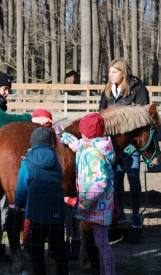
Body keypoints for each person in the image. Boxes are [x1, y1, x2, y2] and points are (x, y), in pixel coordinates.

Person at [0, 69, 52, 262]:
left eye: (8, 89)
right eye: (5, 89)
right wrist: (29, 119)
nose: (7, 93)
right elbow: (2, 122)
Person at [57, 113, 116, 275]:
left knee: (102, 243)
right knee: (99, 242)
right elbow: (78, 145)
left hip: (98, 207)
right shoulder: (94, 145)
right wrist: (64, 136)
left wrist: (82, 204)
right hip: (97, 206)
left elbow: (100, 183)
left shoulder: (94, 155)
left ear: (85, 133)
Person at [99, 57, 150, 229]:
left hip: (130, 145)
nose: (110, 75)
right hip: (112, 144)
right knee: (116, 178)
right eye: (110, 72)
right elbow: (102, 113)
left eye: (114, 72)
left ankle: (135, 214)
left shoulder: (138, 88)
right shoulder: (107, 91)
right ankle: (119, 213)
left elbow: (143, 116)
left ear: (123, 72)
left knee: (134, 177)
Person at [15, 127, 68, 275]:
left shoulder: (27, 163)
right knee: (59, 248)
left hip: (37, 214)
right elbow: (60, 177)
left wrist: (19, 204)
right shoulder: (56, 160)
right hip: (56, 212)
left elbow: (22, 187)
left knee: (37, 249)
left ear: (33, 142)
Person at [21, 109, 54, 261]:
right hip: (50, 198)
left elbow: (24, 179)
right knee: (49, 223)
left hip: (32, 198)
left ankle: (27, 248)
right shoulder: (54, 154)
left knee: (28, 223)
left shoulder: (30, 151)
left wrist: (18, 201)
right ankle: (52, 248)